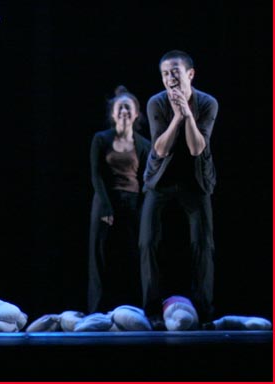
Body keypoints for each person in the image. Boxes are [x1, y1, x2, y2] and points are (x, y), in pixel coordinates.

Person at [139, 50, 218, 327]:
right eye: (164, 74)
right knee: (148, 242)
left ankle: (204, 313)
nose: (169, 78)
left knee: (203, 244)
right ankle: (152, 312)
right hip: (160, 180)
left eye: (175, 72)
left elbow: (197, 148)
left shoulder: (207, 103)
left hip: (195, 181)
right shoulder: (156, 102)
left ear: (190, 74)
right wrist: (176, 117)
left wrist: (188, 115)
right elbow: (160, 149)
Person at [87, 86, 151, 314]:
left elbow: (146, 179)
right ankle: (97, 311)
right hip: (106, 202)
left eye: (128, 108)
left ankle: (136, 309)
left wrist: (143, 209)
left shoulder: (144, 144)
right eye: (120, 107)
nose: (124, 111)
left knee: (133, 255)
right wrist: (106, 206)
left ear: (136, 114)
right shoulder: (101, 139)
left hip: (132, 203)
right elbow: (96, 174)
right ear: (113, 114)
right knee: (101, 257)